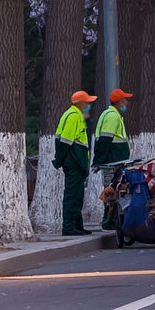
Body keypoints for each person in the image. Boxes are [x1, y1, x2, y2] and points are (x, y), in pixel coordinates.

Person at [53, 91, 97, 236]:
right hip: (73, 163)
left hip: (76, 163)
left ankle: (77, 226)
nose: (88, 105)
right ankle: (68, 227)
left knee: (77, 196)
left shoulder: (75, 115)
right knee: (72, 195)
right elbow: (66, 141)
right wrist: (59, 161)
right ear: (79, 103)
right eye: (86, 102)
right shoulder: (73, 116)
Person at [94, 89, 133, 229]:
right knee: (111, 192)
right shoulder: (112, 117)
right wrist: (99, 161)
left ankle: (111, 221)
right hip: (113, 162)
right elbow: (105, 140)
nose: (126, 102)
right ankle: (109, 222)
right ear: (118, 102)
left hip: (114, 161)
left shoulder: (110, 114)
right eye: (124, 100)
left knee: (112, 191)